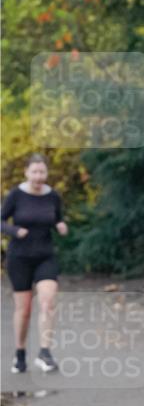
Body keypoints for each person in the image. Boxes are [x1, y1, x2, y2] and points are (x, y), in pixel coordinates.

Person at [1, 153, 68, 373]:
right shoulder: (16, 195)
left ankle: (44, 352)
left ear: (47, 173)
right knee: (25, 309)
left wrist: (60, 225)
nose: (39, 177)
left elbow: (57, 216)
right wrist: (14, 230)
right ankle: (20, 354)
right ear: (27, 173)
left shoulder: (52, 196)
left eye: (42, 172)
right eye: (35, 172)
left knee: (48, 302)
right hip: (19, 258)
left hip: (45, 256)